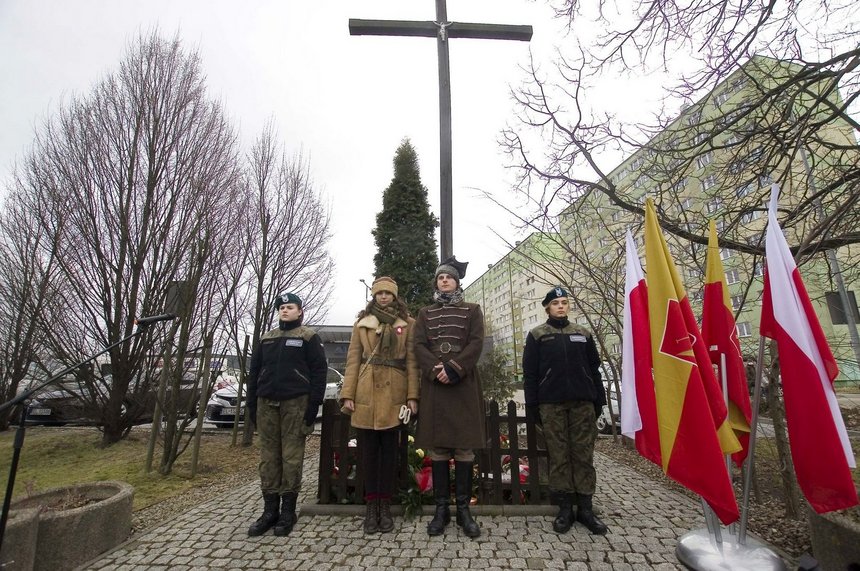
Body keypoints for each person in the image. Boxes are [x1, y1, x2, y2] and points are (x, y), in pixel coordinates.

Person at [522, 286, 609, 535]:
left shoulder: (582, 333)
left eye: (564, 302)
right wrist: (532, 405)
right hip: (552, 404)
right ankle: (564, 510)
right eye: (556, 303)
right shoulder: (538, 335)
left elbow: (594, 369)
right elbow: (530, 373)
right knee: (559, 456)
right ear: (547, 307)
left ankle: (585, 509)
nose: (561, 306)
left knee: (583, 455)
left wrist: (599, 400)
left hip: (582, 404)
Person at [340, 276, 420, 534]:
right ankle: (371, 506)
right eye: (379, 293)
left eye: (388, 293)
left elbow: (412, 363)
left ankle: (385, 506)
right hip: (365, 391)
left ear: (395, 296)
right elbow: (353, 361)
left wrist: (412, 396)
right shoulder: (361, 324)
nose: (383, 297)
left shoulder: (407, 324)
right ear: (373, 296)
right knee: (368, 455)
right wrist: (348, 393)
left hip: (393, 394)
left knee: (389, 455)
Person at [414, 257, 486, 538]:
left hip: (463, 384)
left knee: (464, 449)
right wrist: (436, 369)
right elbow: (418, 344)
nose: (444, 281)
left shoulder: (472, 310)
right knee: (439, 450)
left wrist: (455, 368)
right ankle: (441, 510)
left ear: (457, 282)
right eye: (440, 278)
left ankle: (464, 511)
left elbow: (476, 342)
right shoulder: (424, 313)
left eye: (449, 277)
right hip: (435, 385)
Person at [246, 292, 328, 537]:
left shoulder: (308, 337)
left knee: (291, 459)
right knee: (269, 459)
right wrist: (251, 403)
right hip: (266, 403)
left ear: (300, 311)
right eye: (281, 307)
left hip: (296, 404)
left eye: (290, 307)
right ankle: (269, 511)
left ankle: (287, 511)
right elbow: (254, 371)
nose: (285, 310)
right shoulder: (267, 338)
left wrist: (313, 407)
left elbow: (319, 373)